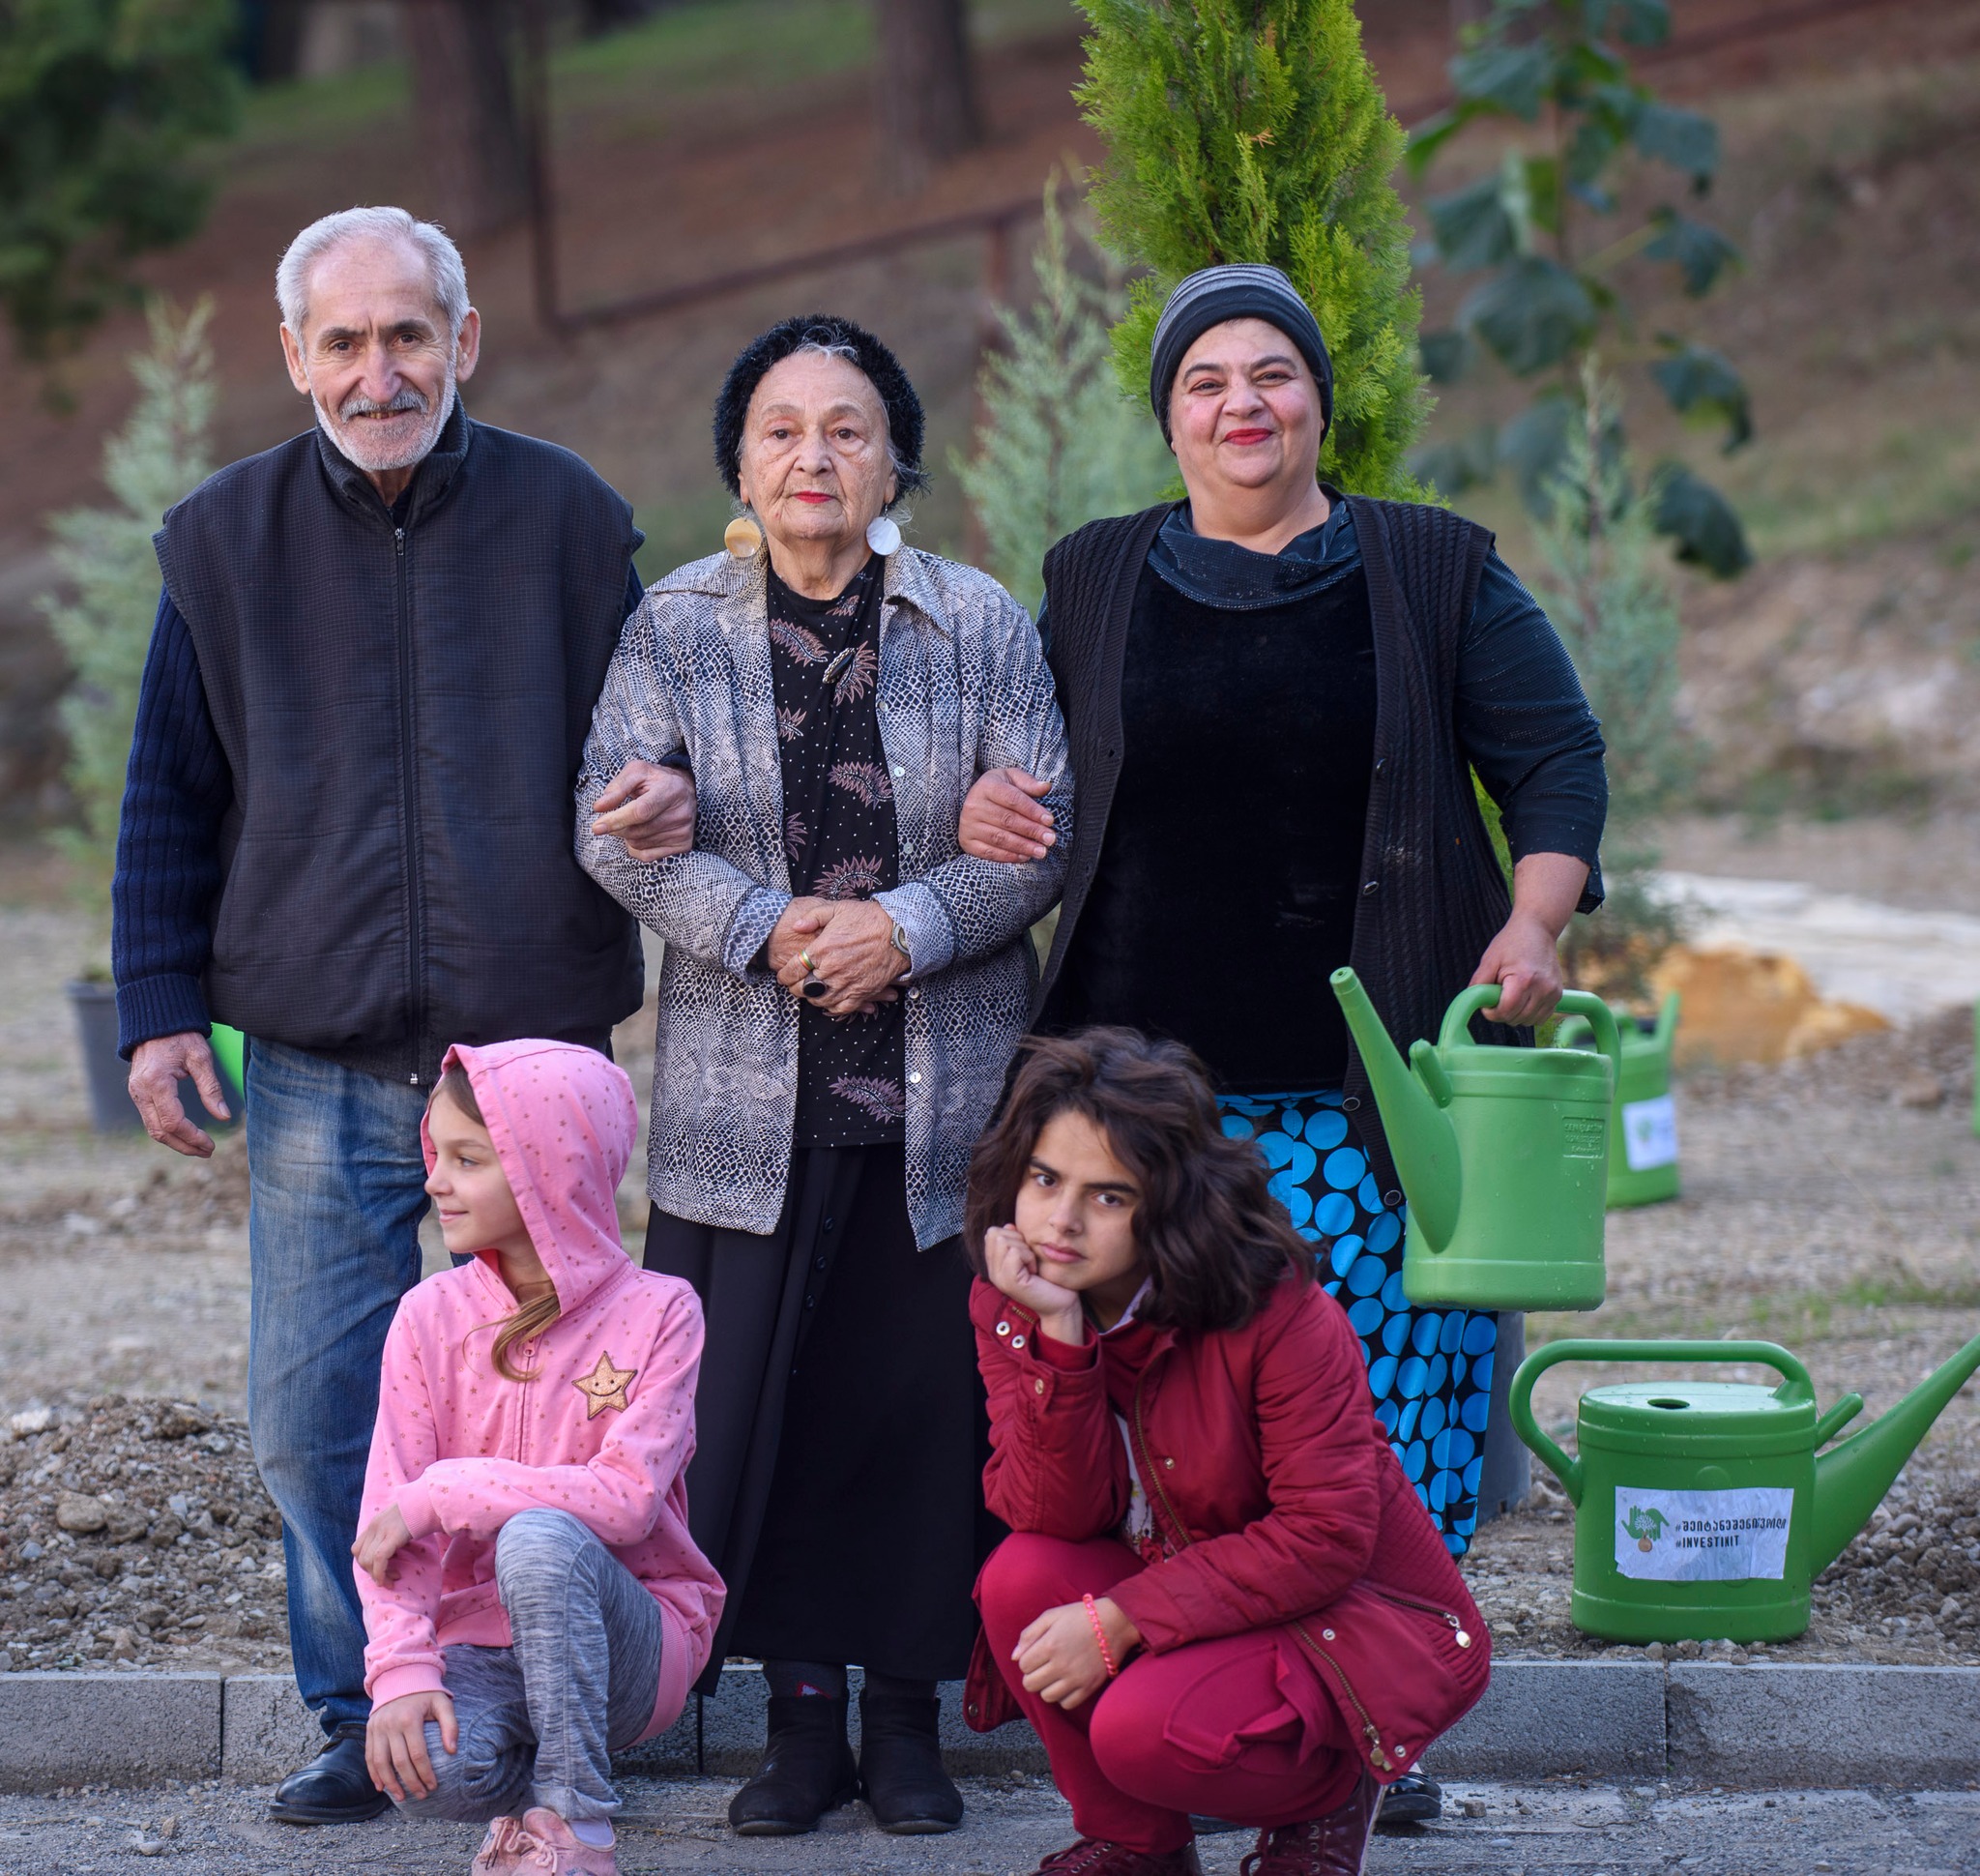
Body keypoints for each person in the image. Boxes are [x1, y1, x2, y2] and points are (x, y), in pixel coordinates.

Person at [954, 263, 1603, 1828]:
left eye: (1271, 374)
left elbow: (1556, 758)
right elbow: (1023, 767)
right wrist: (985, 803)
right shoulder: (1096, 574)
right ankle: (1204, 1711)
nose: (1240, 404)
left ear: (1318, 398)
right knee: (1163, 1427)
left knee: (1378, 1419)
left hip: (1366, 1099)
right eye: (1205, 380)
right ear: (1168, 415)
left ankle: (1378, 1727)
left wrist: (1534, 923)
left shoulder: (1431, 568)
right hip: (1135, 1119)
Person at [111, 206, 686, 1824]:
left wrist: (666, 788)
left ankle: (552, 1694)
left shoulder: (570, 521)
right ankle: (366, 1703)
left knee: (550, 1402)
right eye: (347, 341)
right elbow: (167, 793)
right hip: (315, 1047)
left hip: (530, 1058)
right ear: (295, 356)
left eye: (409, 334)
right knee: (315, 1413)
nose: (381, 371)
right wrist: (158, 1006)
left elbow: (654, 733)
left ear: (464, 341)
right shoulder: (220, 544)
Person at [574, 313, 1071, 1837]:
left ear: (893, 461)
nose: (814, 456)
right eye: (782, 429)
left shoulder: (975, 620)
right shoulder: (675, 625)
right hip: (748, 1110)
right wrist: (768, 926)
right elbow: (611, 830)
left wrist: (906, 928)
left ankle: (910, 1721)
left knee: (920, 1414)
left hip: (943, 1109)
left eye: (848, 429)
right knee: (767, 1416)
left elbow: (1045, 831)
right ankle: (798, 1724)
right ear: (740, 464)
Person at [962, 1028, 1491, 1876]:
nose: (1061, 1222)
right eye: (1045, 1179)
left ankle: (1331, 1794)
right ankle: (1139, 1848)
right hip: (1196, 1587)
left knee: (1142, 1730)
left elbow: (1325, 1537)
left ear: (1168, 1203)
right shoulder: (1019, 1298)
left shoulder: (1277, 1311)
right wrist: (1058, 1342)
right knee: (1020, 1576)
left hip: (1356, 1621)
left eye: (1108, 1197)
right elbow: (1050, 1514)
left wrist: (1122, 1619)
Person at [355, 1041, 723, 1876]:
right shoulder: (428, 1317)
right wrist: (402, 1670)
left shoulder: (661, 1312)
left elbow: (627, 1502)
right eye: (436, 1154)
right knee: (423, 1773)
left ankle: (576, 1823)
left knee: (539, 1538)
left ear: (549, 1173)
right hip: (482, 1647)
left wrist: (446, 1491)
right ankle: (527, 1799)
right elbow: (386, 1524)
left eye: (468, 1160)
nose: (434, 1181)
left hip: (631, 1644)